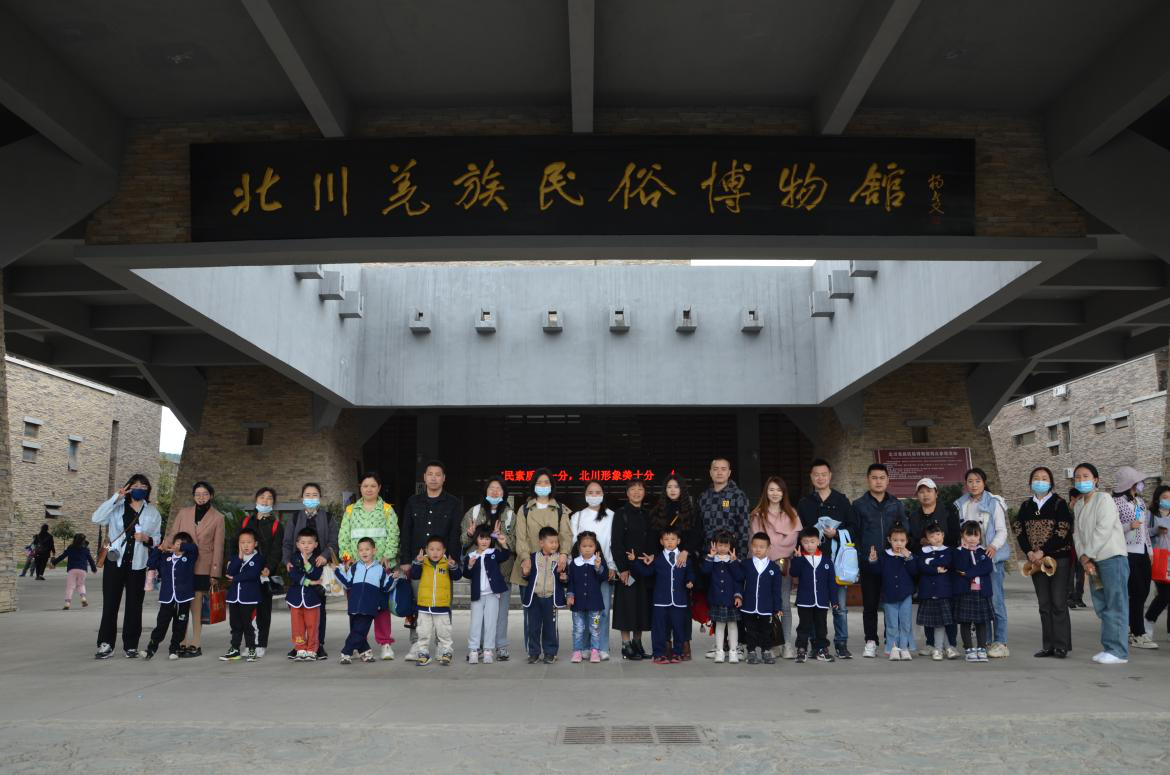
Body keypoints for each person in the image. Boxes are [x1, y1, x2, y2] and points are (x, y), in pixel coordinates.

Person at [91, 474, 162, 659]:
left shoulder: (152, 512)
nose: (139, 489)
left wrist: (147, 538)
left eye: (143, 486)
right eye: (135, 485)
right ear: (129, 488)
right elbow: (96, 518)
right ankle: (106, 644)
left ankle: (131, 645)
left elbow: (158, 539)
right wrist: (116, 497)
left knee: (134, 605)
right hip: (115, 562)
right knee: (110, 604)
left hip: (137, 564)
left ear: (148, 490)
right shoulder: (117, 507)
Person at [398, 460, 463, 661]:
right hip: (419, 563)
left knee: (442, 604)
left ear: (444, 478)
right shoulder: (413, 502)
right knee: (417, 604)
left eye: (438, 474)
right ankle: (417, 644)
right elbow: (406, 531)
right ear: (424, 478)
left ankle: (443, 646)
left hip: (443, 563)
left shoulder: (453, 503)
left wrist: (452, 560)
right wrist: (406, 560)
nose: (434, 478)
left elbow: (455, 533)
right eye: (430, 474)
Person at [1012, 466, 1073, 658]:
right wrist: (1029, 552)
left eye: (1044, 478)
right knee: (1044, 604)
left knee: (1058, 602)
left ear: (1051, 482)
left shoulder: (1059, 504)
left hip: (1058, 559)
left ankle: (1061, 645)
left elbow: (1063, 531)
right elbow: (1019, 530)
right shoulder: (1025, 506)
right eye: (1036, 478)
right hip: (1036, 562)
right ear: (1031, 483)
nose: (1040, 481)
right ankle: (1048, 645)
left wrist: (1043, 551)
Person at [1072, 463, 1130, 664]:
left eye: (1085, 476)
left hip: (1111, 559)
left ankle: (1118, 651)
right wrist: (1083, 557)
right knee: (1102, 605)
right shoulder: (1079, 504)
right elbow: (1077, 534)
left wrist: (1087, 554)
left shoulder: (1104, 499)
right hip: (1092, 561)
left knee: (1116, 604)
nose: (1081, 480)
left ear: (1095, 479)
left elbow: (1103, 529)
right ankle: (1109, 647)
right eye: (1077, 477)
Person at [797, 459, 855, 658]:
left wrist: (836, 534)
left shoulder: (841, 500)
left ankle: (841, 644)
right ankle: (817, 645)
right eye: (816, 475)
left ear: (830, 476)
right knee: (814, 607)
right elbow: (799, 532)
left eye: (824, 474)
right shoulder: (804, 503)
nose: (820, 478)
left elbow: (854, 528)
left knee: (840, 607)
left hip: (837, 561)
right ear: (811, 477)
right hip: (812, 562)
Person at [512, 470, 572, 660]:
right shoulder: (524, 509)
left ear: (552, 485)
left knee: (550, 617)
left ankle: (550, 652)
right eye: (539, 482)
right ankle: (533, 651)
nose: (543, 485)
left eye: (547, 482)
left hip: (552, 567)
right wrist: (525, 558)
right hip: (529, 567)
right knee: (531, 616)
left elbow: (566, 535)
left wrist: (563, 555)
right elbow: (520, 537)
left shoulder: (560, 509)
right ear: (533, 485)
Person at [339, 473, 399, 661]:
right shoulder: (350, 510)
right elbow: (343, 537)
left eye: (373, 486)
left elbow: (393, 535)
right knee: (357, 608)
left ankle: (385, 643)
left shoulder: (387, 510)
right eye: (365, 486)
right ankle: (359, 644)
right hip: (357, 569)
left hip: (379, 567)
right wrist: (347, 559)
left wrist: (387, 556)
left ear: (379, 488)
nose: (369, 489)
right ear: (360, 487)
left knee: (381, 608)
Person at [163, 480, 225, 659]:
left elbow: (218, 547)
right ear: (193, 496)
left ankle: (196, 643)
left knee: (196, 607)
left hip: (203, 566)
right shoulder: (184, 513)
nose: (201, 497)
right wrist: (165, 545)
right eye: (197, 494)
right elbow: (173, 534)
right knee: (181, 606)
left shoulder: (218, 517)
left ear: (211, 496)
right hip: (182, 564)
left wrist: (215, 572)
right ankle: (181, 642)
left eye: (205, 494)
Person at [853, 463, 908, 658]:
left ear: (888, 480)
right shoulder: (859, 505)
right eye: (874, 478)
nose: (878, 481)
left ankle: (891, 641)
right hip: (870, 563)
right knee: (870, 604)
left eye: (882, 478)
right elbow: (855, 534)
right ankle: (870, 641)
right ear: (868, 480)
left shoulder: (896, 504)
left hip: (892, 563)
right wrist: (862, 557)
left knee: (891, 604)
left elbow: (904, 530)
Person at [954, 467, 1010, 658]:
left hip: (990, 558)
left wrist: (993, 546)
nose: (974, 484)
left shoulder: (994, 502)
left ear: (984, 483)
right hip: (971, 559)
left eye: (978, 481)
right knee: (980, 601)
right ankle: (985, 641)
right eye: (970, 481)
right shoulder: (962, 503)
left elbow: (1002, 530)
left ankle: (1001, 642)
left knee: (996, 601)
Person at [460, 477, 517, 660]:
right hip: (480, 572)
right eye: (491, 488)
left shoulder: (510, 515)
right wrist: (469, 534)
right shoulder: (474, 512)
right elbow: (462, 541)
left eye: (498, 488)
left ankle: (500, 646)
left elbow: (515, 543)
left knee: (500, 613)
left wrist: (504, 540)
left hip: (503, 571)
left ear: (504, 493)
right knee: (479, 614)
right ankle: (478, 647)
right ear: (485, 491)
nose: (494, 491)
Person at [647, 474, 702, 659]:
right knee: (663, 609)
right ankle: (665, 645)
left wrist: (686, 551)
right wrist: (655, 556)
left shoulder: (691, 511)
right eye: (669, 487)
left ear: (682, 490)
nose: (672, 490)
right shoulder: (657, 511)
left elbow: (697, 534)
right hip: (663, 563)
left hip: (684, 561)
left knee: (683, 608)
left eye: (676, 487)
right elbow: (652, 537)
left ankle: (684, 643)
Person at [282, 482, 339, 660]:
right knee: (298, 610)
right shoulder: (294, 518)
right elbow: (287, 542)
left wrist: (324, 555)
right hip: (298, 566)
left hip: (318, 567)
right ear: (301, 498)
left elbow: (333, 542)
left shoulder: (328, 517)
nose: (311, 498)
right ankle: (299, 645)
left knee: (318, 609)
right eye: (307, 495)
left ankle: (317, 644)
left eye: (315, 495)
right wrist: (287, 561)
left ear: (320, 498)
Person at [749, 476, 801, 659]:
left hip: (782, 566)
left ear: (784, 493)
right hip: (762, 567)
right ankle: (772, 643)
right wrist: (767, 555)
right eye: (771, 489)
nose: (775, 493)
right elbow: (756, 540)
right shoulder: (757, 515)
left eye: (779, 490)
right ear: (766, 492)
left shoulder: (792, 514)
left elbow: (791, 541)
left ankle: (787, 644)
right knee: (766, 605)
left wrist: (773, 551)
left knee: (784, 604)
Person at [630, 525, 695, 664]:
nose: (670, 542)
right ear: (661, 541)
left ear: (678, 541)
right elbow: (647, 572)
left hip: (679, 600)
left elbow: (690, 573)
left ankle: (678, 653)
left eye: (673, 539)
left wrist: (690, 581)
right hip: (660, 601)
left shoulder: (685, 559)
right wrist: (634, 561)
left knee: (679, 628)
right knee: (659, 629)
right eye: (666, 539)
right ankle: (659, 654)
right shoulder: (657, 559)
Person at [570, 481, 617, 660]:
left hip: (602, 567)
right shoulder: (578, 516)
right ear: (585, 495)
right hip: (582, 568)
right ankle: (584, 647)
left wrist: (612, 565)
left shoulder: (611, 516)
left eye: (598, 492)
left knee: (601, 610)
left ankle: (601, 647)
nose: (594, 495)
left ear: (603, 494)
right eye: (590, 492)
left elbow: (612, 542)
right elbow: (573, 543)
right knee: (583, 609)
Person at [1113, 466, 1157, 650]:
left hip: (1142, 551)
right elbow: (1112, 527)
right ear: (1129, 483)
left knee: (1144, 591)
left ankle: (1134, 629)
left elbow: (1144, 528)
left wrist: (1150, 551)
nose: (1141, 484)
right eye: (1139, 482)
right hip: (1127, 552)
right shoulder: (1116, 503)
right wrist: (1129, 526)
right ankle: (1138, 633)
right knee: (1137, 592)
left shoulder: (1139, 501)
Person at [334, 537, 394, 664]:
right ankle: (365, 652)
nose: (364, 552)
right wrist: (337, 572)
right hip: (354, 605)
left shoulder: (380, 569)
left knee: (360, 631)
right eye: (361, 550)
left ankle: (346, 652)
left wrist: (393, 578)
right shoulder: (355, 567)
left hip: (369, 607)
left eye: (367, 549)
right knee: (358, 631)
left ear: (374, 550)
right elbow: (347, 583)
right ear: (357, 552)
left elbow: (385, 587)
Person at [611, 476, 652, 661]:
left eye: (640, 489)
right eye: (633, 489)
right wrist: (623, 568)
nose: (636, 492)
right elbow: (616, 543)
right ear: (627, 493)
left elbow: (652, 540)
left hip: (643, 568)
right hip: (627, 569)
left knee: (641, 607)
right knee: (626, 607)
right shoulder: (621, 514)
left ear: (644, 492)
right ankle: (626, 645)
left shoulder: (647, 514)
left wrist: (652, 556)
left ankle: (638, 643)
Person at [143, 532, 198, 661]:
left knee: (180, 625)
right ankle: (151, 648)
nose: (179, 546)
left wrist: (181, 546)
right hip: (167, 597)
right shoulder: (166, 557)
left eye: (183, 544)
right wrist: (159, 549)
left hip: (183, 598)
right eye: (177, 542)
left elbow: (194, 548)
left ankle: (174, 648)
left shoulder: (190, 558)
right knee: (161, 624)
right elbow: (151, 563)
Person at [866, 525, 918, 661]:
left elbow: (915, 572)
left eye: (902, 540)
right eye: (895, 540)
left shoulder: (909, 555)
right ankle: (893, 648)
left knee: (906, 623)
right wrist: (873, 560)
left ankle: (904, 647)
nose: (898, 543)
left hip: (905, 595)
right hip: (889, 596)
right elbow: (876, 572)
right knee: (892, 624)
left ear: (907, 541)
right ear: (889, 540)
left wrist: (909, 558)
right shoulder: (884, 556)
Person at [409, 536, 462, 666]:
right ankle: (423, 653)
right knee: (423, 632)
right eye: (432, 549)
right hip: (424, 606)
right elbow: (414, 575)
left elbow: (457, 576)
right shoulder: (423, 562)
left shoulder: (447, 563)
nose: (435, 552)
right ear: (426, 550)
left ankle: (446, 652)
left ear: (444, 551)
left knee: (444, 632)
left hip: (441, 606)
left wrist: (454, 567)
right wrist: (417, 562)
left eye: (438, 549)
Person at [462, 524, 511, 664]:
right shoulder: (471, 556)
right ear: (476, 539)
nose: (484, 541)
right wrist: (470, 565)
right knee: (475, 623)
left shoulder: (494, 553)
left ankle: (488, 650)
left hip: (492, 594)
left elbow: (506, 555)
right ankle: (473, 650)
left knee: (491, 623)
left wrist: (503, 544)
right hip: (477, 595)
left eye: (488, 538)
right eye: (481, 538)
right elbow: (466, 574)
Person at [520, 525, 568, 664]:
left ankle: (550, 653)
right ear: (541, 543)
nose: (554, 545)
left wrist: (564, 577)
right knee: (533, 627)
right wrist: (525, 572)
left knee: (550, 628)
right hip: (534, 598)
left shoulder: (560, 559)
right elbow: (526, 576)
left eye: (556, 542)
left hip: (551, 599)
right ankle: (534, 653)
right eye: (551, 542)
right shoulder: (533, 557)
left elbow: (566, 577)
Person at [736, 531, 784, 665]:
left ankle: (766, 651)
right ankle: (751, 651)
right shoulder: (746, 564)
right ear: (751, 546)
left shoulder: (774, 568)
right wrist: (738, 596)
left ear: (769, 548)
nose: (758, 549)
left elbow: (776, 590)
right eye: (755, 546)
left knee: (766, 630)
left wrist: (777, 607)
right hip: (749, 605)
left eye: (762, 547)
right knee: (750, 630)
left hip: (766, 606)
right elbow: (739, 581)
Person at [790, 526, 836, 664]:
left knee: (821, 627)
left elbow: (831, 583)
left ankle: (821, 650)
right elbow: (794, 573)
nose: (809, 545)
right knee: (804, 626)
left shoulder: (826, 560)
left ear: (818, 541)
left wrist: (834, 600)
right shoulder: (800, 559)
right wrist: (797, 559)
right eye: (805, 542)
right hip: (804, 600)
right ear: (801, 543)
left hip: (821, 601)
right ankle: (801, 650)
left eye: (812, 541)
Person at [700, 530, 745, 663]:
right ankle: (719, 651)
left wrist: (738, 596)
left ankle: (733, 651)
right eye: (720, 545)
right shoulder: (711, 560)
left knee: (733, 625)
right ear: (714, 544)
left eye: (726, 545)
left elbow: (739, 578)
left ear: (731, 546)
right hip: (717, 599)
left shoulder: (734, 561)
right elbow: (705, 571)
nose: (723, 548)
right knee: (719, 626)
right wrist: (710, 556)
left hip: (731, 600)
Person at [221, 527, 264, 663]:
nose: (245, 545)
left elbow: (252, 574)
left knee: (248, 625)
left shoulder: (258, 559)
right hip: (235, 598)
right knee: (235, 625)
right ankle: (234, 649)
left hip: (249, 598)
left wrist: (235, 578)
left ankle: (252, 648)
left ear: (255, 543)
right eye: (242, 542)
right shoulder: (235, 558)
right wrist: (239, 557)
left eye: (249, 542)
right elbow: (230, 571)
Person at [916, 522, 958, 660]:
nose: (936, 538)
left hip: (943, 592)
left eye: (938, 534)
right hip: (928, 592)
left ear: (943, 535)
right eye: (932, 536)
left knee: (943, 622)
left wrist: (929, 562)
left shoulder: (949, 550)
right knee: (932, 622)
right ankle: (940, 647)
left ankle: (943, 648)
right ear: (927, 539)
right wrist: (936, 569)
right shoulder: (923, 551)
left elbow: (946, 562)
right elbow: (921, 566)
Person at [954, 522, 995, 663]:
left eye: (975, 535)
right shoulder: (958, 552)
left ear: (980, 537)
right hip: (965, 592)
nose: (972, 538)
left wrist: (968, 573)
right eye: (968, 535)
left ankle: (982, 648)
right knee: (965, 622)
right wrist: (966, 551)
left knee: (981, 622)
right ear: (962, 535)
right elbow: (960, 567)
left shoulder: (983, 551)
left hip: (981, 593)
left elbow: (987, 568)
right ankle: (969, 649)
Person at [566, 530, 608, 663]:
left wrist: (598, 567)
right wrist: (570, 595)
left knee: (594, 628)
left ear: (595, 547)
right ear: (579, 547)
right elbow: (571, 582)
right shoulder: (574, 563)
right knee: (578, 629)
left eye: (591, 546)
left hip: (595, 604)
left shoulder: (598, 561)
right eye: (584, 546)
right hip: (578, 604)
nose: (588, 549)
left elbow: (604, 577)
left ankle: (595, 651)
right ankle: (577, 651)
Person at [698, 458, 751, 557]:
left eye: (723, 469)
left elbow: (744, 527)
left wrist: (741, 555)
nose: (719, 472)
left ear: (729, 473)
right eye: (715, 469)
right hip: (708, 554)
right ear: (710, 472)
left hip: (731, 554)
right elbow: (699, 528)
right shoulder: (703, 497)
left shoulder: (738, 496)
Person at [287, 527, 325, 661]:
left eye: (309, 543)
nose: (306, 546)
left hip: (312, 599)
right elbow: (293, 575)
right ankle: (300, 648)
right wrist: (310, 582)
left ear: (316, 544)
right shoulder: (293, 558)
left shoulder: (318, 559)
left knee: (312, 625)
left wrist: (306, 563)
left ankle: (312, 649)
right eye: (303, 543)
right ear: (297, 544)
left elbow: (316, 574)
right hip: (295, 598)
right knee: (297, 626)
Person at [1144, 484, 1170, 639]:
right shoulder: (1151, 515)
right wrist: (1156, 531)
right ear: (1157, 499)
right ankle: (1149, 620)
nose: (1168, 501)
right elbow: (1142, 533)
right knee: (1165, 595)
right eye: (1165, 497)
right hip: (1159, 558)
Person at [907, 478, 961, 551]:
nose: (925, 494)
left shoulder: (948, 513)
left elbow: (955, 538)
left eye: (929, 491)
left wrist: (937, 541)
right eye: (921, 492)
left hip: (945, 555)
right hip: (921, 556)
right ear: (917, 495)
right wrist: (920, 542)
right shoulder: (913, 517)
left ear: (936, 493)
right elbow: (909, 540)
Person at [53, 533, 96, 609]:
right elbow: (91, 560)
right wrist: (94, 569)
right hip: (82, 569)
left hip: (72, 569)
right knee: (81, 585)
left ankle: (67, 603)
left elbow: (62, 556)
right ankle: (83, 598)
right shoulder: (86, 549)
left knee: (70, 586)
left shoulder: (70, 548)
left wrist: (54, 563)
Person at [1067, 487, 1088, 609]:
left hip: (1081, 547)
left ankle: (1078, 597)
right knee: (1070, 574)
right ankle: (1069, 598)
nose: (1082, 500)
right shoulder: (1065, 511)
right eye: (1080, 498)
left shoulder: (1082, 510)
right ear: (1073, 498)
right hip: (1069, 547)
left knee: (1081, 573)